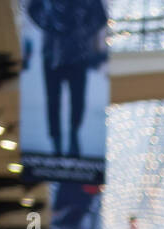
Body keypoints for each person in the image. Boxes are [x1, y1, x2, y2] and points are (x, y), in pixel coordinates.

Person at [27, 0, 108, 158]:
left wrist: (83, 31)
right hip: (53, 53)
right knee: (53, 100)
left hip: (77, 53)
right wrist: (48, 24)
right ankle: (56, 139)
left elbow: (100, 17)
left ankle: (73, 134)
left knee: (77, 99)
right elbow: (33, 9)